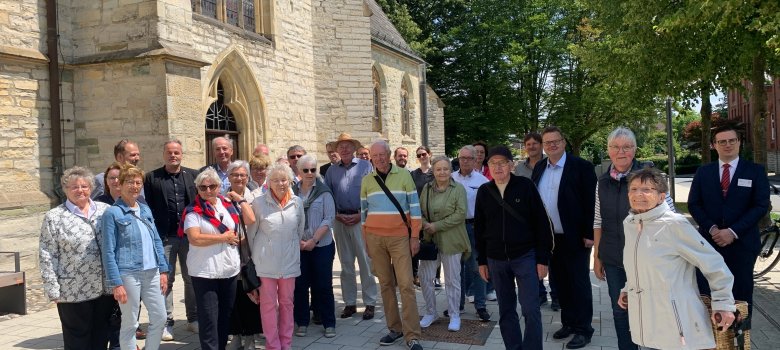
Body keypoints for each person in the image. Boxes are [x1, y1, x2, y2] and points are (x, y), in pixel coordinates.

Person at [619, 168, 736, 349]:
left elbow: (713, 263)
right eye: (633, 189)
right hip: (645, 318)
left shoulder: (674, 224)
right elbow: (637, 262)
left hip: (676, 322)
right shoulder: (631, 223)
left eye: (646, 189)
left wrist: (723, 303)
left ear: (661, 196)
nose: (638, 194)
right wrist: (628, 288)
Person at [475, 146, 553, 350]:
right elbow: (480, 230)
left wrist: (542, 259)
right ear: (488, 166)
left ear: (511, 165)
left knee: (530, 309)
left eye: (502, 162)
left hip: (525, 256)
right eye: (493, 163)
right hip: (496, 259)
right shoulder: (484, 191)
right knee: (506, 310)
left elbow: (542, 224)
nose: (498, 167)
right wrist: (482, 261)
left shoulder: (525, 186)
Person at [688, 125, 770, 315]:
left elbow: (760, 206)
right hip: (709, 245)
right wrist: (713, 229)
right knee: (706, 296)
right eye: (722, 142)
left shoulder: (755, 171)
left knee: (740, 299)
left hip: (742, 245)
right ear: (713, 145)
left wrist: (732, 232)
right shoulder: (703, 172)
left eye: (732, 140)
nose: (727, 145)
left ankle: (740, 340)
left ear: (739, 143)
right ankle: (711, 342)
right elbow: (694, 204)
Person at [531, 126, 597, 349]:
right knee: (559, 283)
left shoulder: (581, 167)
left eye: (555, 141)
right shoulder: (540, 167)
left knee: (578, 284)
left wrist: (589, 234)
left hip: (576, 237)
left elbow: (591, 203)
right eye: (547, 142)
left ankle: (584, 330)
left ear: (564, 142)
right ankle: (568, 322)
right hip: (550, 239)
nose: (551, 145)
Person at [39, 166, 114, 350]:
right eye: (74, 187)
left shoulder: (105, 210)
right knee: (77, 340)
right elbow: (47, 254)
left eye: (84, 186)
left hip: (104, 288)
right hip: (72, 291)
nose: (80, 190)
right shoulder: (54, 217)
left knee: (100, 336)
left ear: (91, 187)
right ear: (65, 190)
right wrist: (52, 287)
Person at [360, 140, 423, 350]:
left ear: (389, 155)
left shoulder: (405, 176)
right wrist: (366, 240)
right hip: (375, 239)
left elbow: (415, 208)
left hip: (399, 238)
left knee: (406, 285)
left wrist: (415, 236)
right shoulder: (367, 180)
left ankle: (412, 335)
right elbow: (363, 214)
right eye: (374, 155)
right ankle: (394, 329)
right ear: (371, 158)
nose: (379, 158)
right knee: (386, 285)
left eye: (382, 154)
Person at [182, 168, 254, 350]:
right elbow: (195, 238)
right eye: (203, 187)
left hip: (229, 270)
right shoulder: (193, 211)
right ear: (197, 188)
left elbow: (248, 222)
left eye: (212, 186)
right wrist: (224, 238)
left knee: (225, 317)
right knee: (209, 320)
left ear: (219, 186)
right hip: (205, 272)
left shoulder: (228, 205)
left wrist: (241, 200)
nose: (207, 190)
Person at [101, 164, 170, 350]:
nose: (135, 186)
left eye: (138, 182)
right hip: (128, 274)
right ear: (120, 185)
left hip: (152, 272)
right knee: (130, 323)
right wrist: (116, 283)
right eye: (130, 182)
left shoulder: (145, 209)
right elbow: (108, 251)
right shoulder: (112, 213)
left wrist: (163, 269)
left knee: (160, 317)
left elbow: (156, 240)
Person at [143, 140, 199, 340]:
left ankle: (193, 318)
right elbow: (147, 207)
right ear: (164, 154)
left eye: (176, 152)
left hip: (189, 237)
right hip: (164, 237)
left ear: (181, 154)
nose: (173, 155)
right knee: (165, 280)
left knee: (191, 278)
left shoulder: (193, 175)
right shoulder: (152, 178)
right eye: (169, 152)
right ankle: (167, 322)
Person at [248, 163, 305, 350]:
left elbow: (299, 230)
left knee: (288, 303)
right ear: (269, 183)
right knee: (268, 305)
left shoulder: (297, 203)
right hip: (266, 264)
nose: (280, 183)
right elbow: (251, 235)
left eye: (284, 180)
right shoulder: (259, 203)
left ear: (289, 181)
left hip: (289, 263)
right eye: (275, 180)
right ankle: (272, 345)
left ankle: (286, 343)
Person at [323, 133, 378, 320]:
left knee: (365, 262)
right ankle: (350, 303)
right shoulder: (331, 171)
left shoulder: (366, 166)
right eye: (341, 146)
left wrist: (360, 214)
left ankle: (370, 302)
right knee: (346, 264)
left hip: (360, 219)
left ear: (354, 148)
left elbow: (372, 193)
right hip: (340, 220)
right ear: (336, 150)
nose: (344, 149)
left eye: (347, 145)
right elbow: (327, 196)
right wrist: (336, 215)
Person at [418, 156, 471, 332]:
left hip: (452, 240)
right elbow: (420, 210)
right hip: (430, 240)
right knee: (425, 278)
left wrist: (436, 225)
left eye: (445, 169)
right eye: (438, 169)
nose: (442, 172)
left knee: (452, 280)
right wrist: (426, 224)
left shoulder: (458, 189)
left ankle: (454, 314)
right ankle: (431, 312)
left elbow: (460, 214)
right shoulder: (427, 188)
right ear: (433, 170)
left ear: (450, 170)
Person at [292, 155, 337, 338]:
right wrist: (299, 242)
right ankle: (302, 322)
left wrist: (313, 241)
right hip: (298, 246)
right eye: (306, 170)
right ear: (299, 172)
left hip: (322, 246)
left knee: (323, 285)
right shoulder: (291, 192)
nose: (310, 173)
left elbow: (329, 218)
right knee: (300, 285)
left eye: (313, 169)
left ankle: (329, 323)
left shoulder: (324, 192)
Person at [513, 132, 559, 310]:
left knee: (553, 259)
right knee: (533, 259)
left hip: (550, 217)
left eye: (535, 143)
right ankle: (539, 294)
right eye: (528, 144)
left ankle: (556, 295)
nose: (531, 147)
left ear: (541, 145)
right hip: (528, 219)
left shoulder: (549, 165)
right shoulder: (519, 169)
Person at [224, 161, 263, 350]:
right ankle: (237, 335)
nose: (239, 178)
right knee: (234, 296)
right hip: (229, 252)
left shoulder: (255, 196)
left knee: (250, 294)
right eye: (234, 175)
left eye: (242, 175)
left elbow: (254, 221)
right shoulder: (222, 197)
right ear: (228, 177)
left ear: (247, 177)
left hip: (250, 252)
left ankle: (250, 336)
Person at [451, 145, 491, 322]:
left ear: (475, 160)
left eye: (469, 158)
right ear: (458, 159)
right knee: (456, 268)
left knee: (477, 267)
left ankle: (480, 306)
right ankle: (457, 305)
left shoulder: (482, 181)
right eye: (462, 158)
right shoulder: (450, 179)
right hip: (455, 228)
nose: (465, 161)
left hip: (475, 227)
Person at [410, 146, 435, 287]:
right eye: (418, 155)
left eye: (424, 154)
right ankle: (415, 275)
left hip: (432, 214)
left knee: (433, 245)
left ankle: (434, 276)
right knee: (415, 244)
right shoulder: (414, 174)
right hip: (417, 214)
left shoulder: (436, 172)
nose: (422, 157)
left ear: (429, 154)